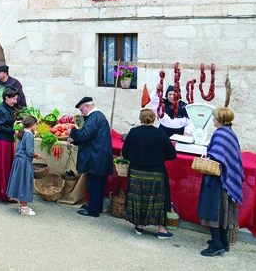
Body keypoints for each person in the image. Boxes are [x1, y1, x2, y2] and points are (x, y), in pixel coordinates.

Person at [196, 107, 244, 256]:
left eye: (214, 118)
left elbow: (217, 157)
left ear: (218, 120)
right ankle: (224, 242)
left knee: (213, 210)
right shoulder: (230, 133)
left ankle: (216, 244)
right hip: (227, 180)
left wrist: (207, 158)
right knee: (224, 211)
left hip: (218, 180)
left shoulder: (220, 134)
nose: (213, 120)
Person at [122, 109, 177, 238]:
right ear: (154, 119)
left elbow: (125, 153)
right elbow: (172, 154)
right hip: (156, 172)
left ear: (140, 119)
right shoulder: (160, 133)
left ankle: (139, 226)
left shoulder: (133, 132)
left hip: (136, 171)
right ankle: (161, 230)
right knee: (159, 200)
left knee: (139, 197)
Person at [68, 96, 113, 217]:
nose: (81, 112)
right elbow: (90, 137)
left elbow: (84, 134)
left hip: (96, 157)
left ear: (87, 106)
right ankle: (95, 207)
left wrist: (72, 132)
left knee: (94, 184)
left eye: (81, 109)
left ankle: (93, 210)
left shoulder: (94, 117)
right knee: (97, 184)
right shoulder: (98, 116)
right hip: (99, 156)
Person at [0, 86, 20, 203]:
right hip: (2, 142)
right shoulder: (0, 110)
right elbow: (0, 127)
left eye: (16, 99)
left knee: (7, 167)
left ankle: (5, 192)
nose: (15, 101)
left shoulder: (8, 108)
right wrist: (14, 132)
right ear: (6, 97)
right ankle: (3, 194)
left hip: (7, 141)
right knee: (3, 168)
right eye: (14, 99)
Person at [6, 115, 42, 216]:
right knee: (25, 183)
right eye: (35, 124)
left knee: (21, 182)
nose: (36, 126)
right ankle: (24, 208)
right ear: (32, 125)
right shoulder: (29, 135)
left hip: (18, 161)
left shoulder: (23, 133)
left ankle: (22, 205)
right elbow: (29, 152)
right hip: (24, 162)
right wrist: (36, 155)